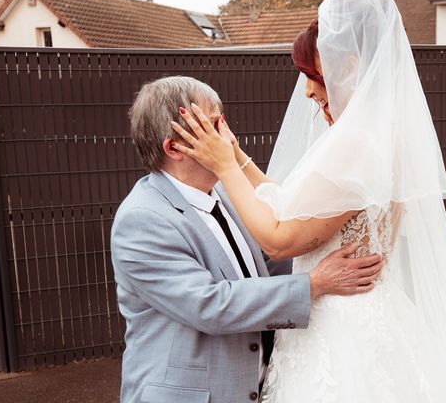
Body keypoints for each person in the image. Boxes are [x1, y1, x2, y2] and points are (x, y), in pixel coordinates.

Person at [170, 0, 446, 402]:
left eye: (313, 76)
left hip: (342, 325)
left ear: (346, 66)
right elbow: (302, 207)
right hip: (370, 312)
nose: (308, 91)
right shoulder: (383, 136)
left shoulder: (357, 144)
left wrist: (221, 166)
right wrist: (237, 158)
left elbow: (278, 239)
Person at [110, 75, 384, 403]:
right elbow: (210, 305)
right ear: (174, 147)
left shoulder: (226, 193)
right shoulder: (142, 219)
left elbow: (276, 256)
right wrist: (314, 283)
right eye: (213, 125)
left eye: (223, 121)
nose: (226, 138)